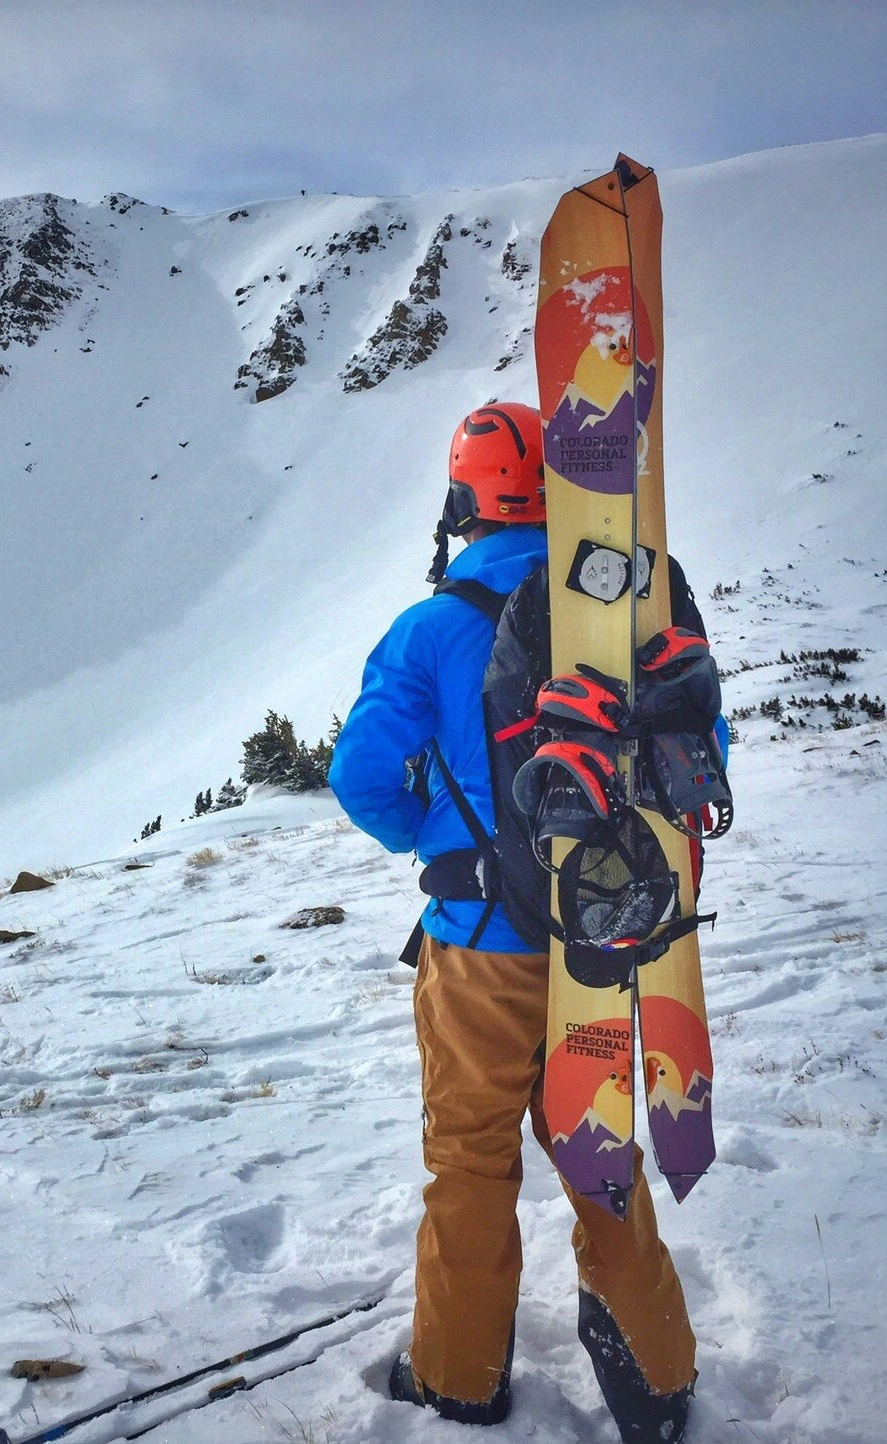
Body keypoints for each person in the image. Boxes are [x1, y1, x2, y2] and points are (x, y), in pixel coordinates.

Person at [329, 402, 699, 1441]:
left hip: (481, 945)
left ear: (468, 495)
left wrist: (432, 841)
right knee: (599, 1147)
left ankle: (459, 1376)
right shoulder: (625, 603)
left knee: (472, 1159)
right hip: (604, 938)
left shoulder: (433, 626)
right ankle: (656, 1378)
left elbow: (357, 774)